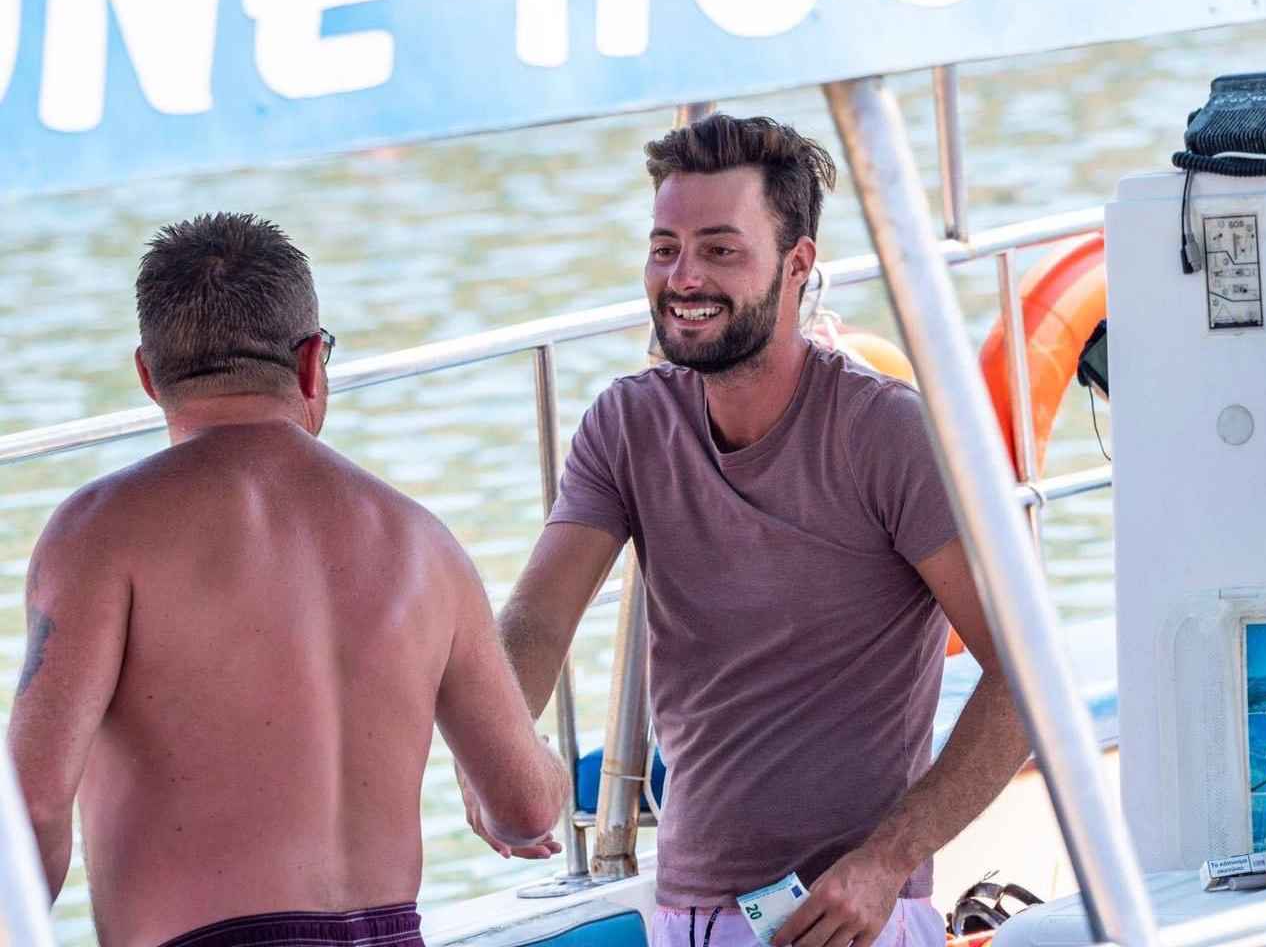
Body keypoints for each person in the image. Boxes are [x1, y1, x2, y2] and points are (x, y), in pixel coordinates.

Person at [492, 115, 1029, 947]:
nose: (683, 276)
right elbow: (536, 620)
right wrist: (493, 751)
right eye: (665, 247)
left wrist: (886, 863)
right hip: (687, 916)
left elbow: (1026, 676)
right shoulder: (626, 424)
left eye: (719, 249)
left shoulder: (885, 432)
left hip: (855, 918)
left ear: (797, 263)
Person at [7, 213, 569, 947]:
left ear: (149, 376)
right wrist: (547, 769)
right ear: (310, 363)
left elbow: (32, 808)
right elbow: (525, 811)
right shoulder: (423, 543)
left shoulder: (98, 534)